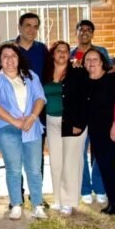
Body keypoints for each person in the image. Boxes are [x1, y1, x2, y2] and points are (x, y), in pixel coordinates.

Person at [0, 43, 47, 220]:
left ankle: (37, 205)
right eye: (5, 56)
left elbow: (40, 98)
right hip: (7, 128)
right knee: (13, 169)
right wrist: (14, 121)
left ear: (19, 58)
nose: (10, 60)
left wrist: (32, 117)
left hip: (31, 127)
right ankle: (16, 205)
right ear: (0, 61)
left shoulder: (31, 76)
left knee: (34, 169)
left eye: (13, 55)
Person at [43, 41, 89, 216]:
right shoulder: (45, 72)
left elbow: (84, 99)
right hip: (51, 121)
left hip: (72, 122)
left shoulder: (77, 72)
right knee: (56, 162)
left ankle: (68, 202)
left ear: (70, 54)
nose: (62, 53)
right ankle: (58, 198)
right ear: (52, 54)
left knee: (70, 162)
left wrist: (79, 123)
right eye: (58, 50)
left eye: (65, 51)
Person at [72, 20, 109, 208]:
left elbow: (109, 71)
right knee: (79, 152)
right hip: (79, 110)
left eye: (88, 30)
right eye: (81, 29)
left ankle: (100, 187)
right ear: (77, 32)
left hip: (99, 110)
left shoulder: (101, 51)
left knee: (101, 150)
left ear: (92, 33)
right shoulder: (71, 54)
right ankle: (85, 189)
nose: (85, 32)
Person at [84, 48, 115, 215]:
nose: (91, 62)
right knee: (103, 166)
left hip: (112, 130)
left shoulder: (112, 79)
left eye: (95, 59)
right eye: (88, 60)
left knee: (108, 165)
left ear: (102, 62)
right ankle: (112, 201)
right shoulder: (85, 81)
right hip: (95, 131)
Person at [11, 12, 49, 77]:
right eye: (28, 26)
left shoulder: (42, 49)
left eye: (35, 27)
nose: (32, 30)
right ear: (19, 27)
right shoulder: (9, 48)